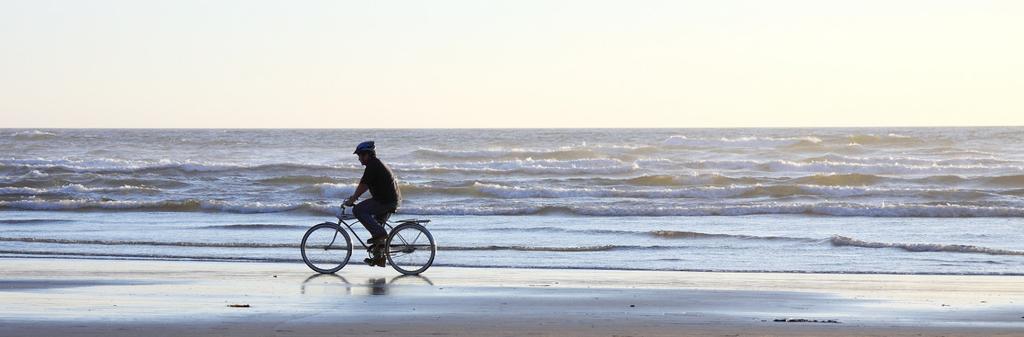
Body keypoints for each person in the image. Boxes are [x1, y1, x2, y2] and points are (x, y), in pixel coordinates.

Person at [344, 141, 402, 267]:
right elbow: (366, 186)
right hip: (389, 200)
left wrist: (352, 200)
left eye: (360, 155)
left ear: (367, 155)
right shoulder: (376, 164)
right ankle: (379, 258)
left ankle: (380, 234)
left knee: (358, 210)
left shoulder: (373, 166)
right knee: (376, 227)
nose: (359, 158)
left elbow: (363, 185)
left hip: (386, 201)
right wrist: (354, 197)